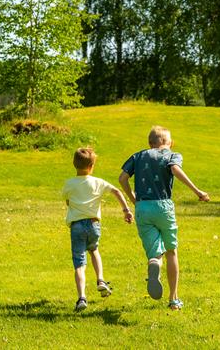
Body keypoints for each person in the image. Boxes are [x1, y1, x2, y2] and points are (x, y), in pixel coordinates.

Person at [118, 125, 209, 310]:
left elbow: (122, 178)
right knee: (171, 251)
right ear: (167, 143)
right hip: (163, 206)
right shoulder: (172, 155)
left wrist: (133, 199)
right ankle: (173, 299)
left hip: (142, 208)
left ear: (150, 143)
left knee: (155, 252)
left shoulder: (138, 156)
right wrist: (197, 191)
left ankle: (154, 263)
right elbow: (175, 170)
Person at [62, 147, 133, 312]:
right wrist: (126, 210)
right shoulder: (98, 182)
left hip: (77, 226)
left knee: (79, 263)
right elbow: (116, 191)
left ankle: (81, 297)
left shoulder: (69, 183)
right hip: (94, 224)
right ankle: (100, 280)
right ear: (92, 166)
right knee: (94, 250)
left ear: (74, 164)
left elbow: (67, 200)